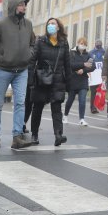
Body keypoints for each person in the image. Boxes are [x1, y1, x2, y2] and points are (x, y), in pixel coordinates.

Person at [0, 0, 35, 150]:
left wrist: (29, 55)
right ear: (13, 7)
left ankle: (17, 137)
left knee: (20, 103)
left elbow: (33, 43)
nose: (24, 8)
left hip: (22, 71)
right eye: (21, 5)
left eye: (25, 5)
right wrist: (1, 58)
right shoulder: (0, 25)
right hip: (3, 70)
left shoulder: (29, 24)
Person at [30, 18, 72, 146]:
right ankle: (34, 134)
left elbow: (67, 64)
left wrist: (69, 84)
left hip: (58, 79)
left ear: (58, 27)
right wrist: (30, 79)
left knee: (57, 108)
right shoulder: (41, 41)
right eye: (49, 24)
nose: (50, 26)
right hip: (42, 78)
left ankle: (58, 135)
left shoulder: (64, 43)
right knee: (37, 107)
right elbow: (33, 59)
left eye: (53, 24)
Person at [64, 37, 94, 126]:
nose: (82, 45)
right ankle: (65, 116)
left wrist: (83, 70)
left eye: (84, 44)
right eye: (81, 43)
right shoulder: (72, 53)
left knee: (82, 100)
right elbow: (70, 65)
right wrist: (83, 65)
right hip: (73, 80)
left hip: (83, 80)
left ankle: (81, 119)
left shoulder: (88, 55)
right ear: (77, 43)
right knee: (70, 99)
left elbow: (93, 66)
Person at [88, 39, 106, 115]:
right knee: (93, 92)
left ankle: (97, 106)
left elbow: (105, 62)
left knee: (100, 91)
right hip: (93, 75)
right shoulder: (91, 53)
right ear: (95, 44)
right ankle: (92, 107)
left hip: (101, 75)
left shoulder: (104, 52)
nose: (98, 45)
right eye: (97, 44)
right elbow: (88, 63)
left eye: (100, 44)